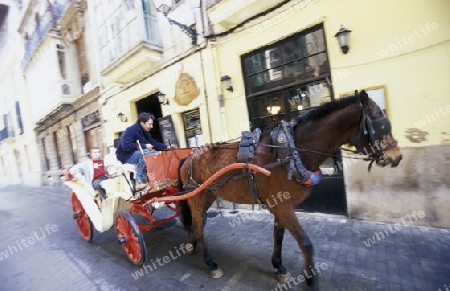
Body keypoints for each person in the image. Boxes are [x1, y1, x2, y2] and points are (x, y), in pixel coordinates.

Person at [116, 112, 173, 190]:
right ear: (142, 123)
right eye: (150, 124)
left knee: (157, 154)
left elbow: (153, 143)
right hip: (126, 156)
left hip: (137, 153)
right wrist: (144, 146)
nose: (151, 126)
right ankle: (139, 182)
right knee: (145, 154)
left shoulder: (145, 132)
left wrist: (167, 147)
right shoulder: (130, 130)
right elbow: (126, 146)